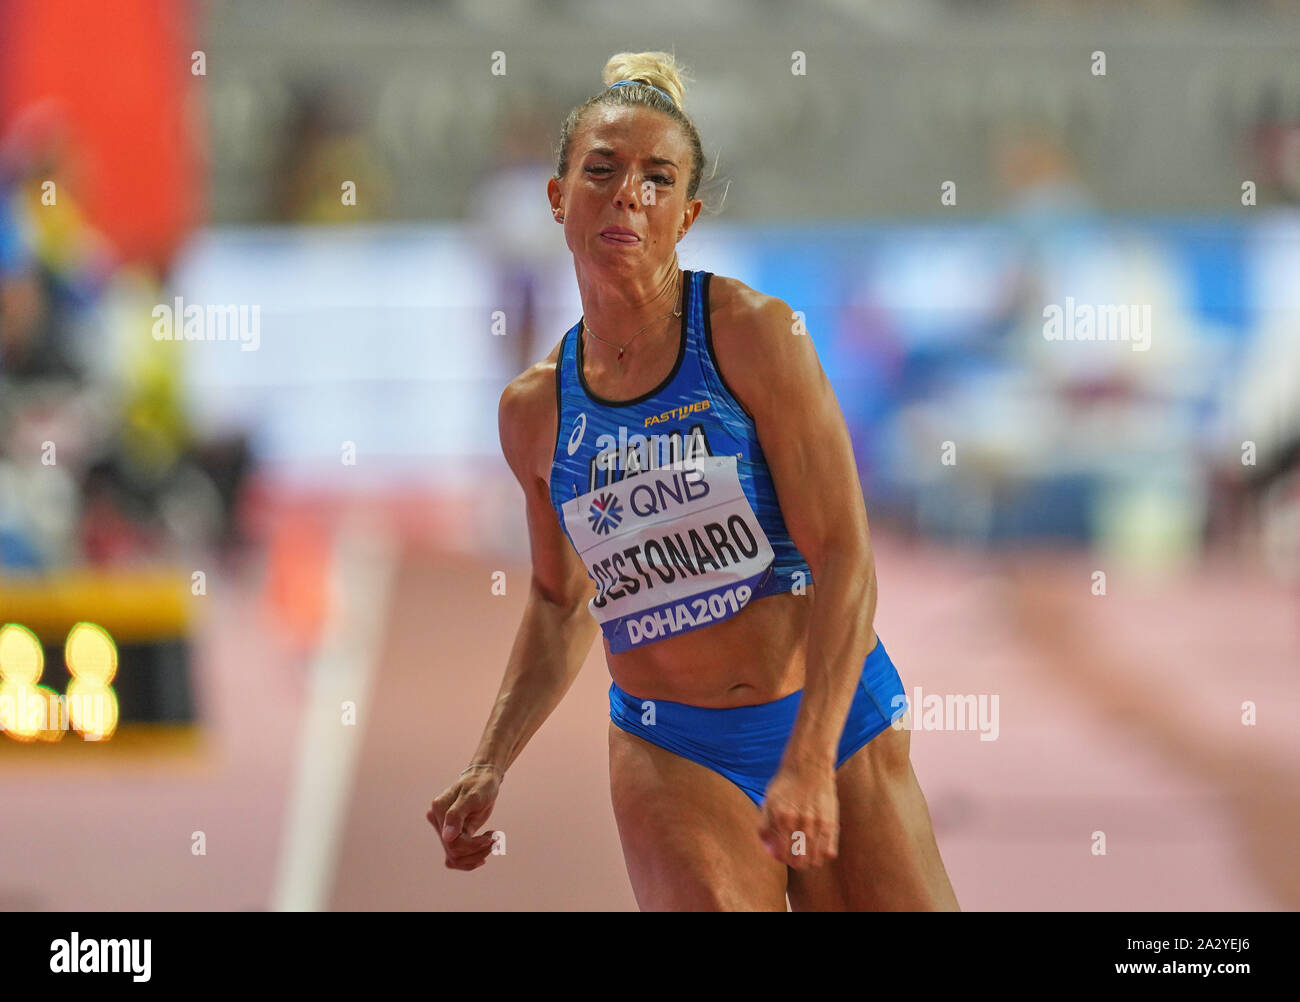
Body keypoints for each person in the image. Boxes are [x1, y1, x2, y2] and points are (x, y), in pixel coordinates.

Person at [427, 51, 959, 911]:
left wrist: (812, 757)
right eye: (601, 171)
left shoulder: (754, 337)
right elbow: (563, 601)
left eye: (657, 178)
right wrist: (491, 758)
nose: (628, 194)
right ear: (558, 198)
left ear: (687, 214)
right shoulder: (535, 411)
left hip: (831, 717)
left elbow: (844, 556)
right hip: (673, 748)